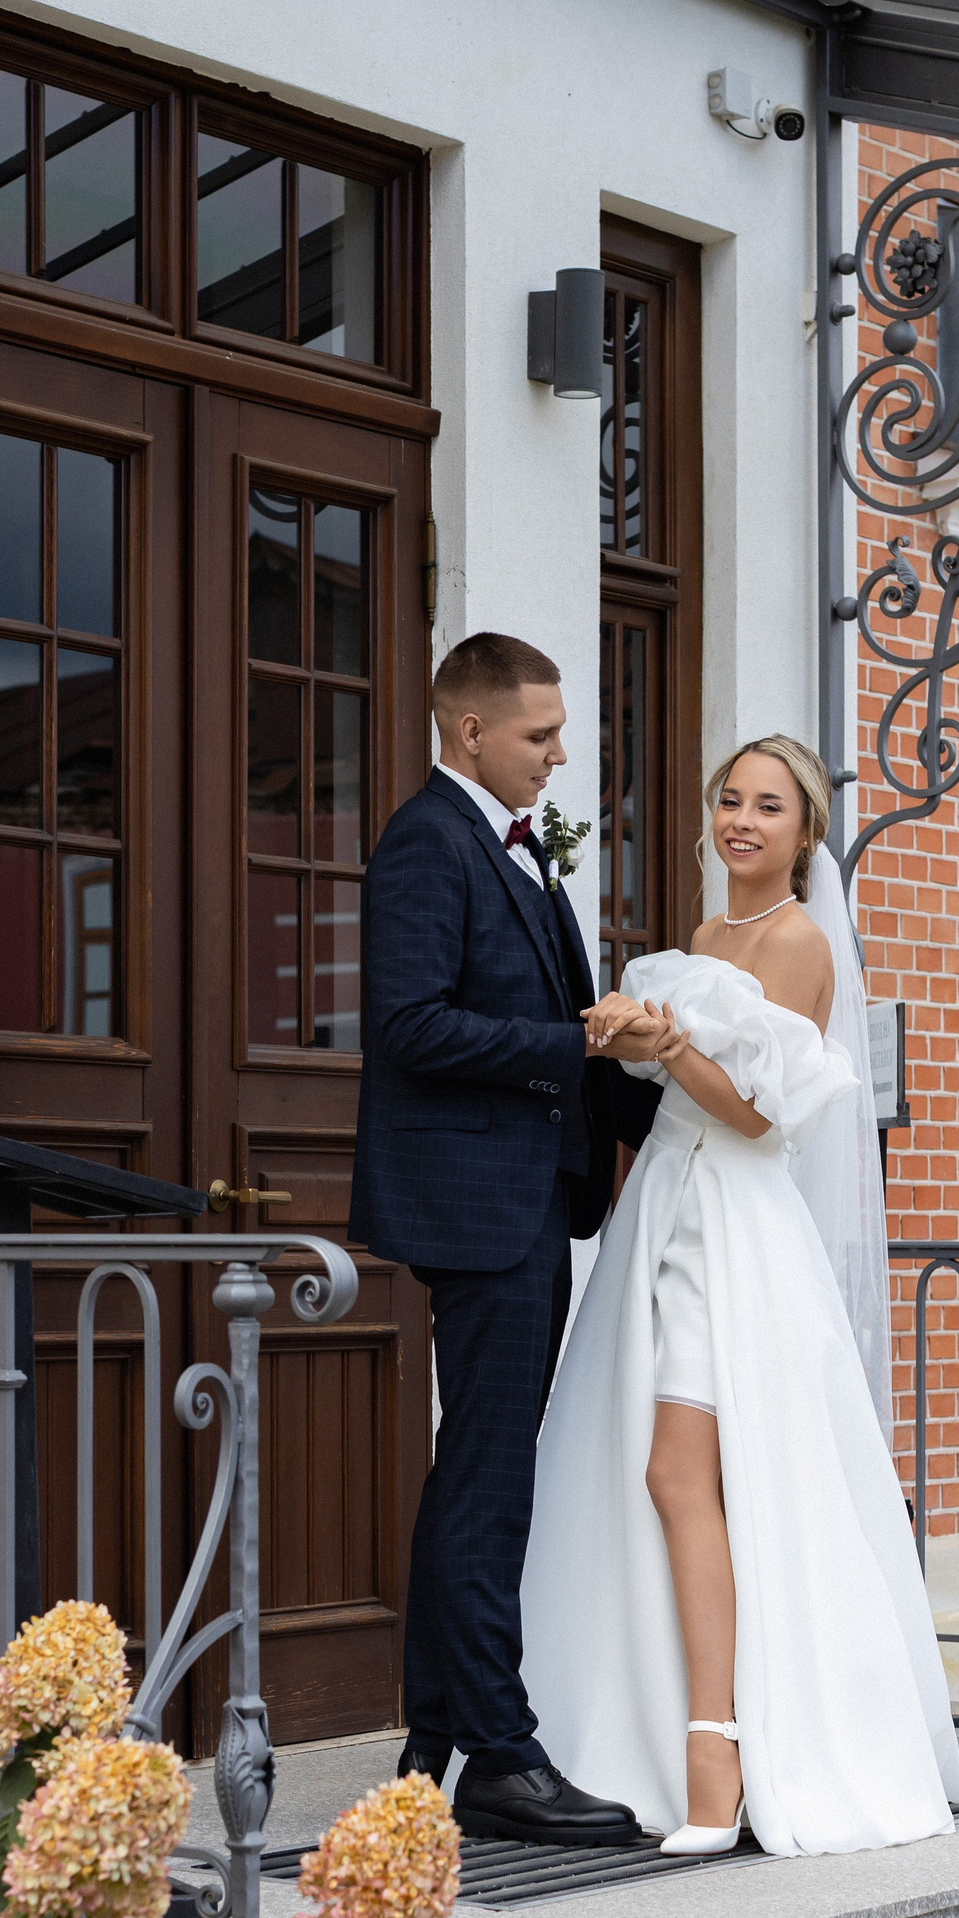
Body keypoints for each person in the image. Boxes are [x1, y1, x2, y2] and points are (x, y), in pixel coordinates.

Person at [518, 734, 959, 1858]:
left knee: (679, 1473)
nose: (743, 821)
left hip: (731, 1224)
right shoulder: (708, 938)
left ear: (804, 832)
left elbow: (760, 1114)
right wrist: (628, 1038)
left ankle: (716, 1749)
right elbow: (675, 1089)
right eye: (730, 799)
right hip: (662, 1211)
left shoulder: (800, 942)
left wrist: (666, 1044)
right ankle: (655, 1729)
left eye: (769, 806)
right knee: (646, 1471)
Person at [350, 631, 662, 1847]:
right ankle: (500, 1754)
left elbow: (559, 1026)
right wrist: (576, 1045)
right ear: (469, 731)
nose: (560, 753)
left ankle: (436, 1737)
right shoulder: (428, 842)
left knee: (479, 1470)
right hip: (477, 1207)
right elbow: (410, 1025)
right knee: (490, 1477)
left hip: (528, 1198)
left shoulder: (517, 846)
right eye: (541, 734)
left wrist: (673, 1091)